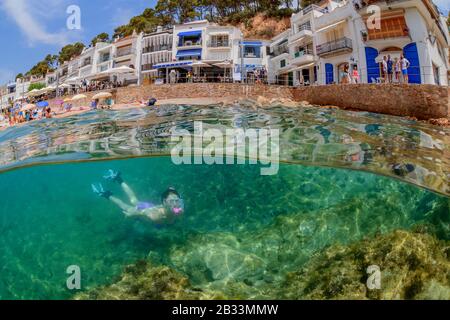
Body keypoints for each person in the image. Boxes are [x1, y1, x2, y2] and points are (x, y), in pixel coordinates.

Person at [92, 170, 185, 225]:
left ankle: (117, 179)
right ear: (164, 202)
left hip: (153, 207)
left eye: (177, 200)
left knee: (134, 200)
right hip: (146, 212)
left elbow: (174, 204)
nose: (175, 203)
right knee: (126, 206)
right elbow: (141, 212)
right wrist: (131, 214)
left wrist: (171, 191)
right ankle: (105, 194)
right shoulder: (155, 216)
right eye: (172, 201)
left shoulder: (179, 209)